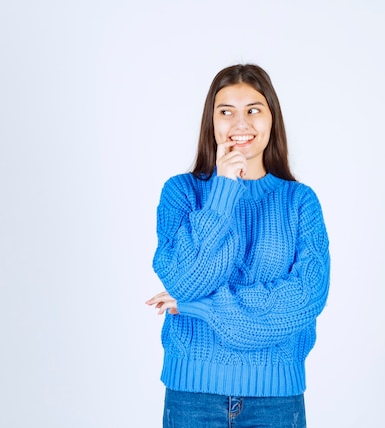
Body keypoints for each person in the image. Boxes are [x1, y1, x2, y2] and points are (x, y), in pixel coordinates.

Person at [145, 64, 330, 428]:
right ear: (211, 122)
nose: (240, 124)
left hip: (276, 401)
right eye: (226, 111)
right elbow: (186, 281)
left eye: (253, 110)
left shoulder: (299, 201)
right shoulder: (182, 193)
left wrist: (202, 308)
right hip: (192, 399)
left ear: (271, 118)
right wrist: (223, 191)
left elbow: (307, 298)